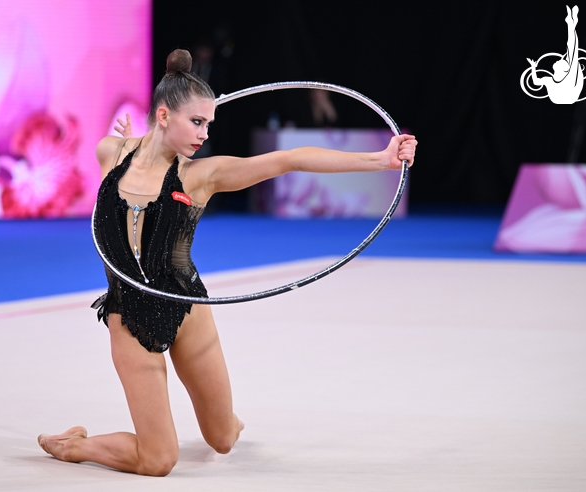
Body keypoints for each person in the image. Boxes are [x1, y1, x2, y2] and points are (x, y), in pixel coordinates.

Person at [37, 49, 417, 477]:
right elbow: (133, 155)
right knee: (158, 460)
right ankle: (75, 446)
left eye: (209, 124)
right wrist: (138, 141)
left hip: (187, 308)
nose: (204, 134)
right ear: (163, 115)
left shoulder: (202, 175)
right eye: (197, 122)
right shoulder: (110, 153)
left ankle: (226, 421)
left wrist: (380, 160)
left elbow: (289, 159)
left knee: (222, 440)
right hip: (129, 314)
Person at [527, 5, 583, 104]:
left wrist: (533, 67)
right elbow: (536, 82)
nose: (560, 59)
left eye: (562, 61)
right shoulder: (551, 80)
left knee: (572, 50)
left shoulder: (562, 78)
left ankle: (571, 23)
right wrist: (533, 67)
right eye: (563, 60)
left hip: (568, 96)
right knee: (572, 51)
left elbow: (573, 49)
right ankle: (571, 23)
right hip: (565, 97)